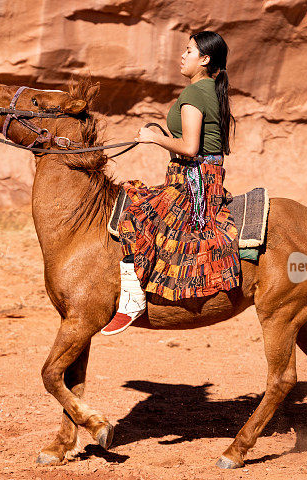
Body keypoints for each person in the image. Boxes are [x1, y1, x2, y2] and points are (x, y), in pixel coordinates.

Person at [101, 31, 240, 336]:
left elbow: (190, 148)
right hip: (204, 178)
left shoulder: (193, 94)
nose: (183, 55)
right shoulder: (209, 91)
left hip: (193, 185)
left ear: (204, 59)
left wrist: (155, 138)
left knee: (135, 216)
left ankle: (133, 299)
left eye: (189, 51)